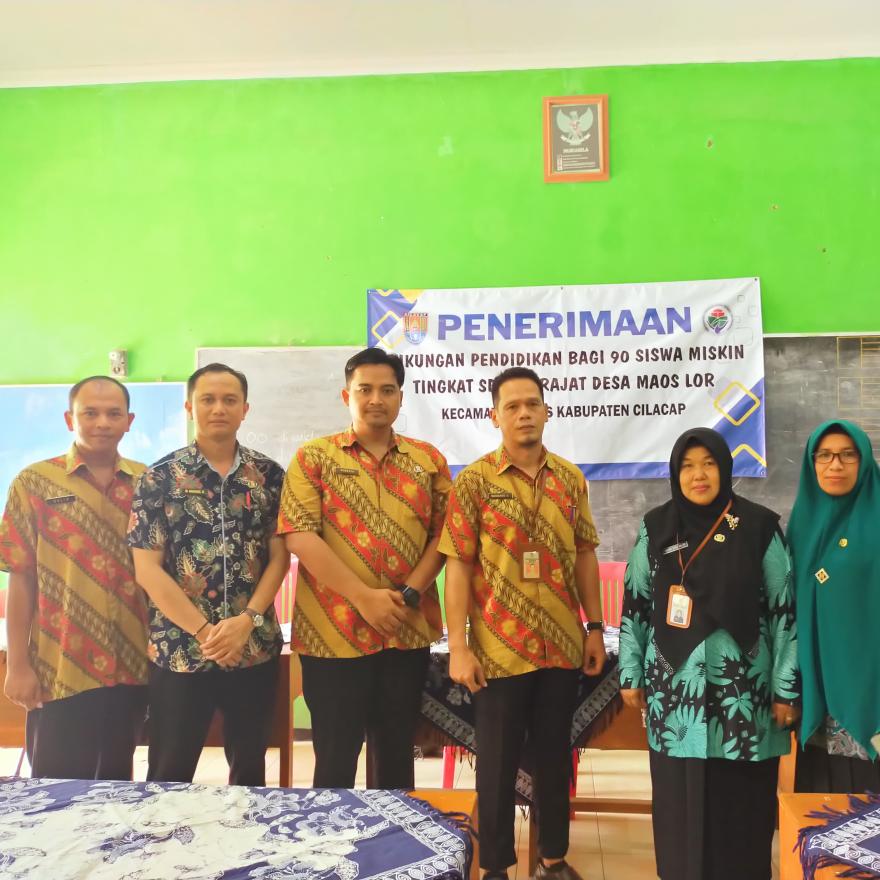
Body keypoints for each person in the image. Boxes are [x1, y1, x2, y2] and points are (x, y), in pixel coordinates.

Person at [440, 367, 606, 880]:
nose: (524, 413)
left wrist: (595, 627)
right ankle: (494, 866)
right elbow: (458, 565)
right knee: (496, 764)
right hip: (499, 649)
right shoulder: (474, 482)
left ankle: (553, 859)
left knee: (555, 758)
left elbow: (584, 555)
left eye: (532, 403)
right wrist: (459, 646)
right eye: (511, 406)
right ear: (495, 417)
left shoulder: (570, 479)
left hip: (561, 645)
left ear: (547, 411)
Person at [619, 427, 799, 880]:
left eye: (709, 464)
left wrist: (785, 688)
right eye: (687, 466)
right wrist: (630, 673)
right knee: (679, 810)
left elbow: (784, 611)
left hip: (745, 699)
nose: (698, 475)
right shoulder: (655, 527)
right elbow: (636, 603)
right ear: (674, 473)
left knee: (741, 812)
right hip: (675, 698)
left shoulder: (758, 527)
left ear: (725, 467)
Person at [277, 347, 451, 789]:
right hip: (332, 635)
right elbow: (298, 534)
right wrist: (363, 597)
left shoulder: (427, 460)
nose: (376, 399)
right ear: (346, 396)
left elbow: (445, 536)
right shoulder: (314, 457)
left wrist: (408, 594)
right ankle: (332, 835)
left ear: (401, 397)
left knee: (396, 758)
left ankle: (396, 833)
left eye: (387, 390)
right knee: (335, 759)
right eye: (365, 390)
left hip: (404, 629)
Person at [127, 363, 288, 786]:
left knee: (250, 773)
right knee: (169, 772)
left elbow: (279, 558)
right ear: (189, 407)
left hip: (252, 647)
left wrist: (246, 622)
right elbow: (147, 568)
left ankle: (246, 832)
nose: (219, 408)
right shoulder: (159, 478)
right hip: (180, 651)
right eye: (208, 399)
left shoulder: (269, 476)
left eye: (229, 400)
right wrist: (206, 634)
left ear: (245, 409)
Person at [0, 376, 149, 779]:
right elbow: (20, 578)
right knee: (54, 790)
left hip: (131, 664)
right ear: (70, 419)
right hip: (59, 666)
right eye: (90, 413)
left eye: (113, 413)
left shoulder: (148, 484)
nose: (102, 422)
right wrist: (17, 666)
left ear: (129, 420)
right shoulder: (34, 483)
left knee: (116, 787)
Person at [790, 419, 880, 792]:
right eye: (824, 455)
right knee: (820, 808)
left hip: (870, 692)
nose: (835, 465)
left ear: (865, 461)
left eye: (847, 455)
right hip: (816, 693)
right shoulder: (800, 526)